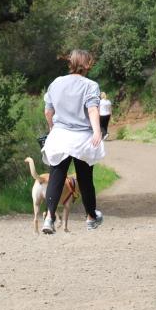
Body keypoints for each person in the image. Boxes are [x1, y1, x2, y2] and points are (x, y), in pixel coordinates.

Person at [41, 49, 105, 234]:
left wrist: (53, 128)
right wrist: (96, 131)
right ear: (87, 65)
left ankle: (49, 218)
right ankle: (91, 217)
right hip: (81, 138)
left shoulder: (56, 83)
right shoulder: (91, 85)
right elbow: (93, 109)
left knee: (56, 176)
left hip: (60, 136)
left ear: (71, 63)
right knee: (85, 179)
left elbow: (48, 111)